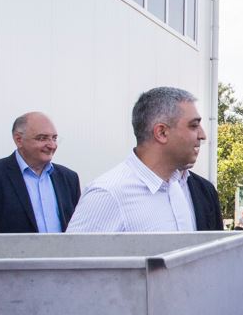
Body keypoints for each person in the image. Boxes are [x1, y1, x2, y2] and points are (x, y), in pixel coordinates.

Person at [66, 87, 222, 232]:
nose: (202, 136)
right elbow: (74, 253)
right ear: (161, 133)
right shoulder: (107, 194)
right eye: (193, 126)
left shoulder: (180, 187)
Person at [0, 112, 80, 233]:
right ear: (19, 139)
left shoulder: (69, 179)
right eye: (42, 138)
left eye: (54, 138)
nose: (52, 145)